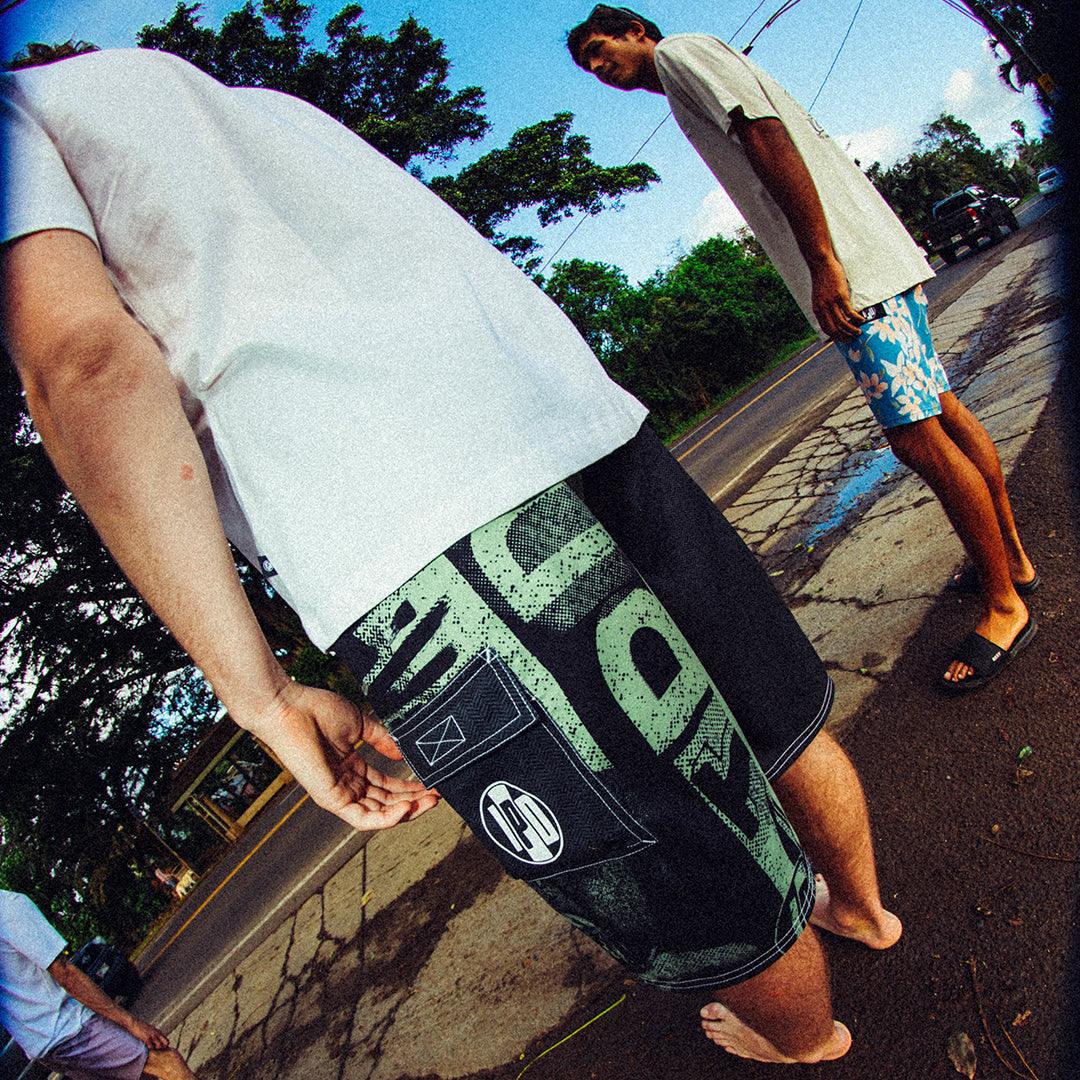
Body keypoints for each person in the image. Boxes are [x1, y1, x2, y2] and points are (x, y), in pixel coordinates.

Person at [1, 46, 899, 1067]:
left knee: (689, 869)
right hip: (561, 410)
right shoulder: (211, 99)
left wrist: (257, 696)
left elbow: (82, 359)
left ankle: (809, 1039)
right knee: (761, 715)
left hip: (411, 519)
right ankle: (864, 910)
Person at [567, 5, 1038, 695]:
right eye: (587, 67)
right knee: (939, 411)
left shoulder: (681, 55)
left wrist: (824, 262)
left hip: (856, 277)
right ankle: (1012, 562)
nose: (600, 69)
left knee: (916, 438)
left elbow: (765, 137)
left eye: (600, 49)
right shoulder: (690, 69)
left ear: (637, 30)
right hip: (872, 264)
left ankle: (1005, 605)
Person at [0, 890, 197, 1079]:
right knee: (167, 1062)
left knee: (144, 1075)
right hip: (71, 1027)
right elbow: (65, 973)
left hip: (44, 1047)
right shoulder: (9, 906)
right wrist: (131, 1023)